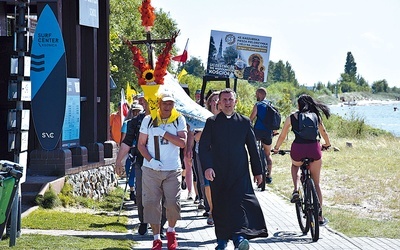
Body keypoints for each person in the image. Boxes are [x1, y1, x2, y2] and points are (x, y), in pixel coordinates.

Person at [199, 88, 268, 250]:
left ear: (235, 102)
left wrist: (258, 172)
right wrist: (207, 167)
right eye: (224, 100)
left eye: (230, 99)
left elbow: (253, 148)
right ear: (219, 104)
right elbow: (204, 148)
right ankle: (222, 241)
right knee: (221, 205)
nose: (228, 102)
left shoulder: (244, 122)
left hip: (239, 172)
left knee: (239, 204)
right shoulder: (212, 122)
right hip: (218, 172)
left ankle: (239, 238)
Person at [137, 92, 187, 250]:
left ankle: (171, 231)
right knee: (152, 204)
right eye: (164, 103)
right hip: (151, 169)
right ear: (159, 104)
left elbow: (182, 143)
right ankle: (156, 238)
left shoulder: (179, 119)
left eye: (170, 103)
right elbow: (141, 144)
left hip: (172, 168)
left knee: (172, 203)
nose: (167, 106)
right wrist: (151, 160)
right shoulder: (149, 119)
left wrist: (164, 133)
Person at [272, 94, 331, 225]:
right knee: (316, 184)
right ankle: (320, 216)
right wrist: (327, 144)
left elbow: (282, 136)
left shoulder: (292, 117)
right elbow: (324, 133)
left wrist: (276, 148)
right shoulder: (316, 117)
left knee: (295, 166)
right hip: (314, 149)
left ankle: (296, 189)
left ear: (298, 105)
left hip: (298, 149)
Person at [249, 87, 276, 184]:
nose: (256, 96)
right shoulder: (271, 105)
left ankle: (258, 171)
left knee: (255, 152)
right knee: (268, 154)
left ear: (260, 94)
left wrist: (248, 124)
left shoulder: (258, 105)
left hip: (257, 132)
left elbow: (251, 118)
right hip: (268, 132)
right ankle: (269, 176)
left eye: (256, 94)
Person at [118, 101, 144, 201]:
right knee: (131, 171)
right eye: (134, 111)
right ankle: (132, 190)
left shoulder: (145, 122)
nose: (136, 113)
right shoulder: (127, 123)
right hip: (131, 151)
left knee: (136, 171)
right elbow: (124, 139)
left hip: (140, 151)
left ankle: (137, 191)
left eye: (138, 111)